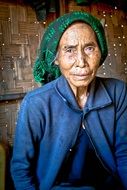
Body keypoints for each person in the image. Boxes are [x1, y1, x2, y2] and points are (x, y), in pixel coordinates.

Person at [11, 11, 127, 190]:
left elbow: (125, 154)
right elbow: (21, 169)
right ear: (56, 59)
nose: (81, 61)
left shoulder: (118, 92)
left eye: (89, 48)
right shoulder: (36, 103)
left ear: (100, 51)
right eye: (70, 50)